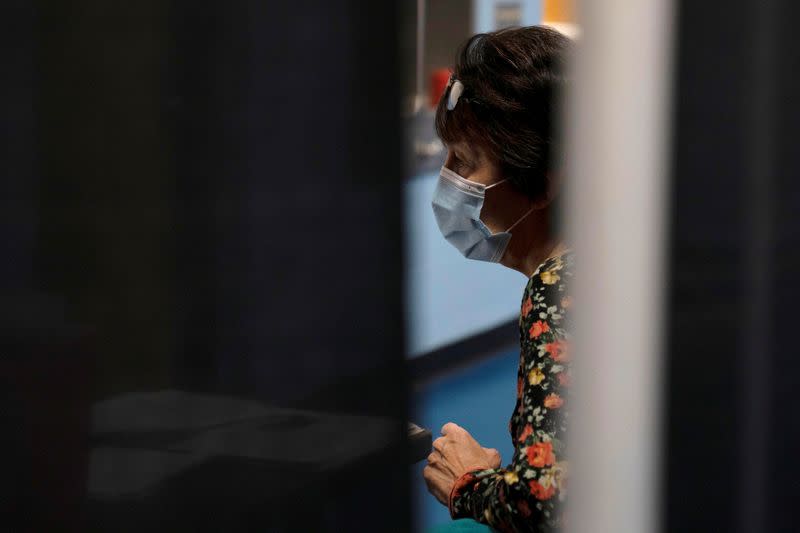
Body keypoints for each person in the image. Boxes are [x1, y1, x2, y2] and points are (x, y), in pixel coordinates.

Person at [423, 26, 573, 532]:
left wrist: (469, 482)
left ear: (544, 184)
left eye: (464, 162)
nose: (449, 180)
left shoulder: (559, 291)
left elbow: (545, 500)